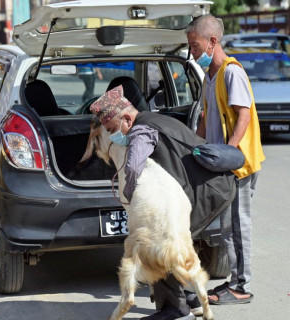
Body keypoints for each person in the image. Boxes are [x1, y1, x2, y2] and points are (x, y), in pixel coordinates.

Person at [89, 84, 236, 320]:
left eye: (112, 128)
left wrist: (128, 193)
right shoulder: (155, 119)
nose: (112, 134)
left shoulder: (141, 130)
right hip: (210, 186)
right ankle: (191, 300)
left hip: (204, 190)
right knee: (176, 246)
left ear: (127, 118)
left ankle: (174, 309)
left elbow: (134, 164)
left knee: (161, 243)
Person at [185, 15, 265, 304]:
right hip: (222, 164)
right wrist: (193, 146)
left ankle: (241, 286)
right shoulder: (210, 76)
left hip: (237, 164)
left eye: (194, 46)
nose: (192, 52)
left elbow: (243, 113)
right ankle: (233, 280)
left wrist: (229, 152)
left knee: (238, 225)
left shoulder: (232, 73)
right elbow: (206, 118)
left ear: (212, 42)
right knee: (227, 225)